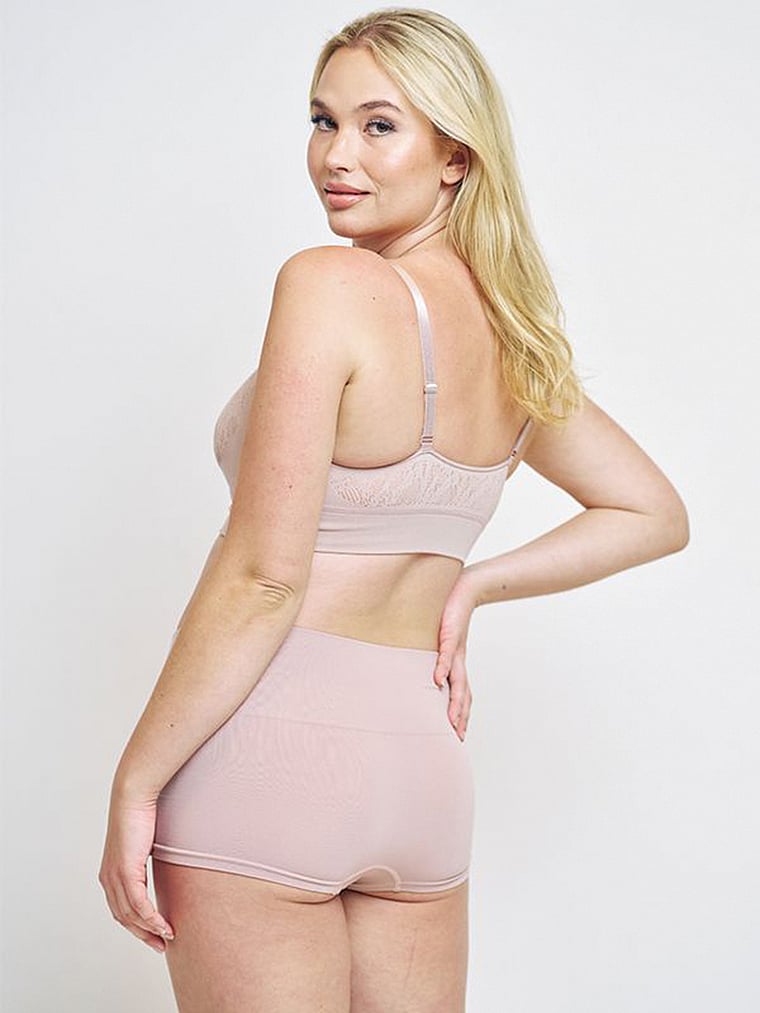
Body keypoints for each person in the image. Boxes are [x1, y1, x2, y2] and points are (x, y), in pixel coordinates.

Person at [97, 8, 689, 1011]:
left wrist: (135, 779)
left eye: (379, 125)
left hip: (267, 759)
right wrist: (471, 583)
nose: (336, 154)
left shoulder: (328, 283)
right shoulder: (512, 342)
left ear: (456, 155)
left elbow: (264, 576)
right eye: (322, 120)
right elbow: (651, 510)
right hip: (420, 775)